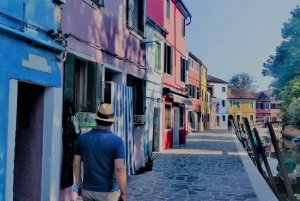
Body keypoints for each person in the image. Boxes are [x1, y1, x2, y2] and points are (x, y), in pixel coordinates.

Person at [73, 103, 126, 201]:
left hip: (88, 190)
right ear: (111, 122)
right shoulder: (117, 141)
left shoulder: (82, 139)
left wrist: (79, 184)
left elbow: (76, 164)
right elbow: (119, 168)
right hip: (109, 192)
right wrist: (123, 192)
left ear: (96, 120)